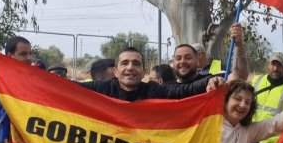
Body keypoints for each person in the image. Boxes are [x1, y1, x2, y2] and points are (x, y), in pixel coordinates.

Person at [79, 47, 225, 102]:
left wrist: (210, 81)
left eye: (136, 64)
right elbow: (68, 89)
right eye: (125, 63)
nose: (130, 68)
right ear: (115, 72)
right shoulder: (101, 89)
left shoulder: (153, 90)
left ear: (144, 72)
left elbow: (183, 91)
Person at [171, 23, 249, 84]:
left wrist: (238, 45)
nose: (182, 61)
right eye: (178, 58)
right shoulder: (166, 88)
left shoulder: (212, 82)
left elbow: (239, 78)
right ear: (173, 62)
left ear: (197, 58)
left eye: (188, 57)